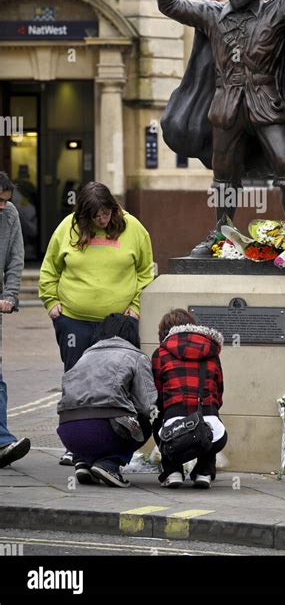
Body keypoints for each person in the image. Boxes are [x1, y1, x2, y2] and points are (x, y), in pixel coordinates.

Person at [146, 0, 285, 252]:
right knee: (224, 177)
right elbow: (169, 5)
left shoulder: (275, 11)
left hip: (266, 103)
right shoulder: (211, 14)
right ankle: (222, 236)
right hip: (226, 108)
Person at [39, 180, 155, 464]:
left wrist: (136, 306)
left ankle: (113, 445)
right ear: (83, 215)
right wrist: (51, 302)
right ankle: (76, 445)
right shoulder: (68, 227)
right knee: (77, 381)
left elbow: (145, 270)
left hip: (118, 324)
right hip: (74, 322)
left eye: (106, 213)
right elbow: (50, 267)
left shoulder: (133, 227)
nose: (102, 219)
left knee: (119, 384)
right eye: (95, 216)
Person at [57, 313, 158, 488]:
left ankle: (84, 461)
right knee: (145, 423)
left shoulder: (85, 355)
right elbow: (147, 406)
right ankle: (109, 464)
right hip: (103, 430)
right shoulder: (136, 356)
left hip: (68, 433)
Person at [152, 309, 227, 489]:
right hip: (213, 429)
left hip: (174, 427)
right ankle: (204, 472)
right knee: (208, 422)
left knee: (157, 422)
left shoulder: (160, 353)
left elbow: (157, 393)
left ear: (164, 333)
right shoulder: (212, 352)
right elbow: (218, 393)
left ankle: (172, 472)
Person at [0, 171, 31, 468]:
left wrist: (10, 295)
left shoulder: (9, 214)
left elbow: (15, 258)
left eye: (6, 201)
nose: (3, 206)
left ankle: (2, 442)